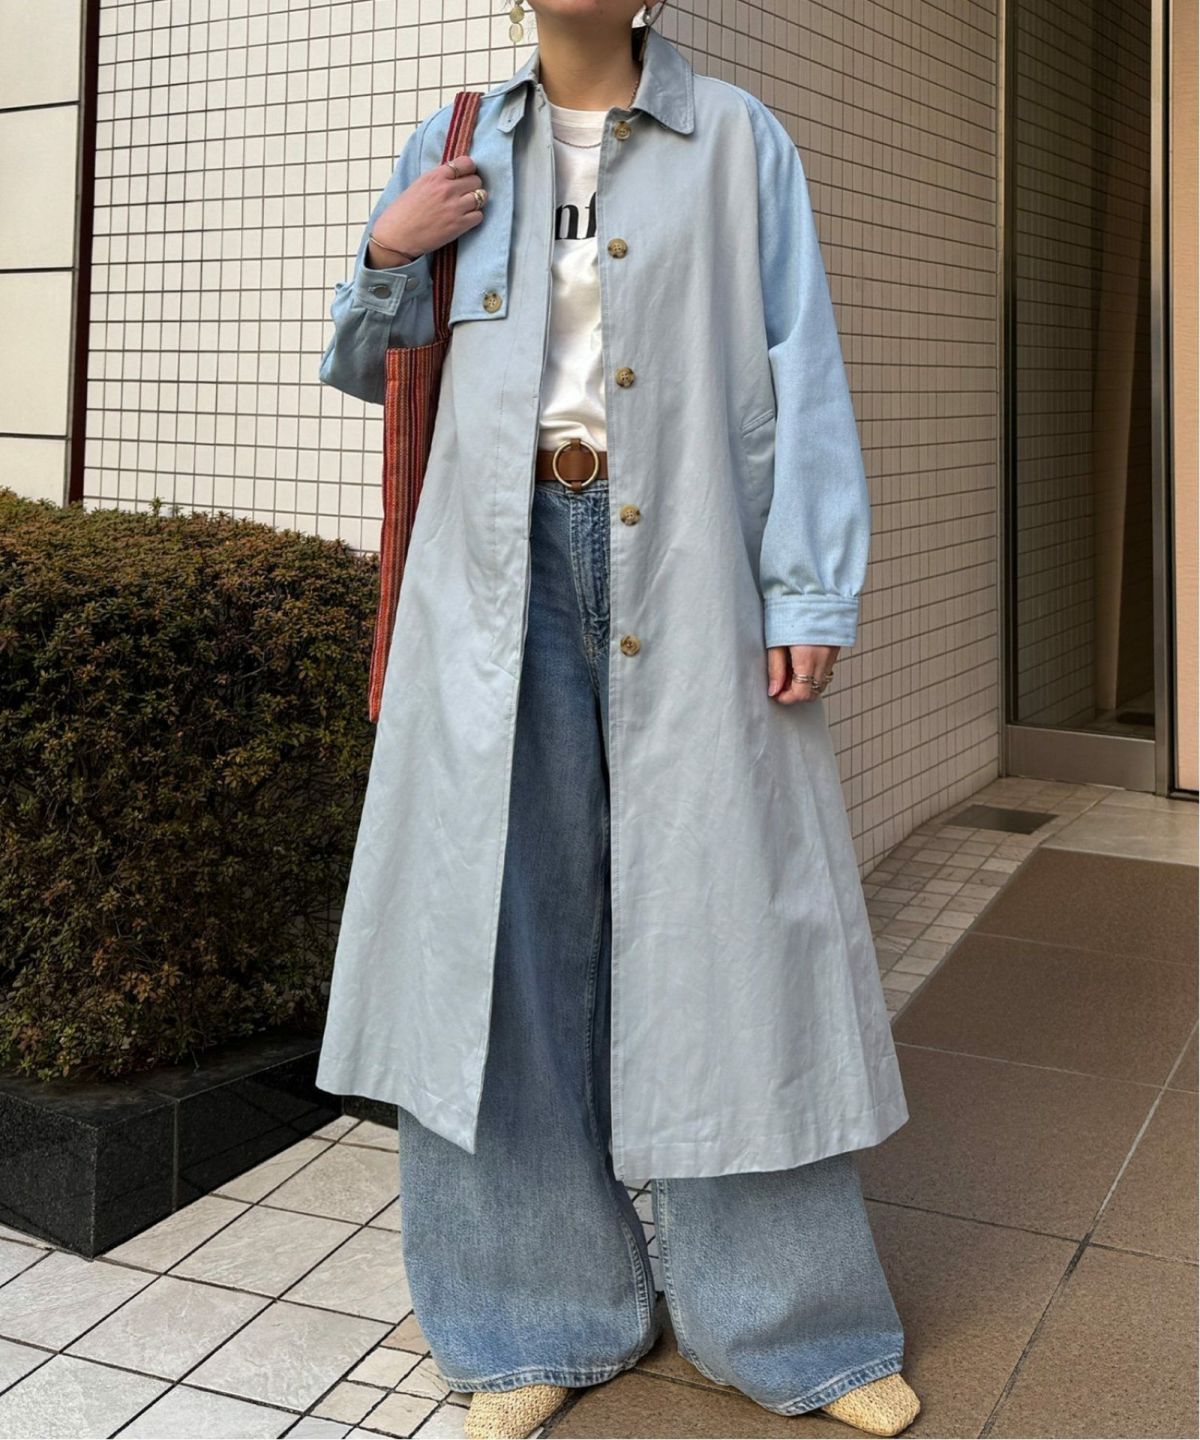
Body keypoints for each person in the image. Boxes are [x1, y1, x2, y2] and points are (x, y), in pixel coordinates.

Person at [315, 3, 921, 1437]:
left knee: (733, 929)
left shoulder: (741, 143)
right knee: (495, 937)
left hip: (693, 560)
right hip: (496, 568)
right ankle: (528, 1313)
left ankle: (785, 1320)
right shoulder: (459, 140)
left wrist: (808, 587)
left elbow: (803, 365)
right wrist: (387, 249)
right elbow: (365, 363)